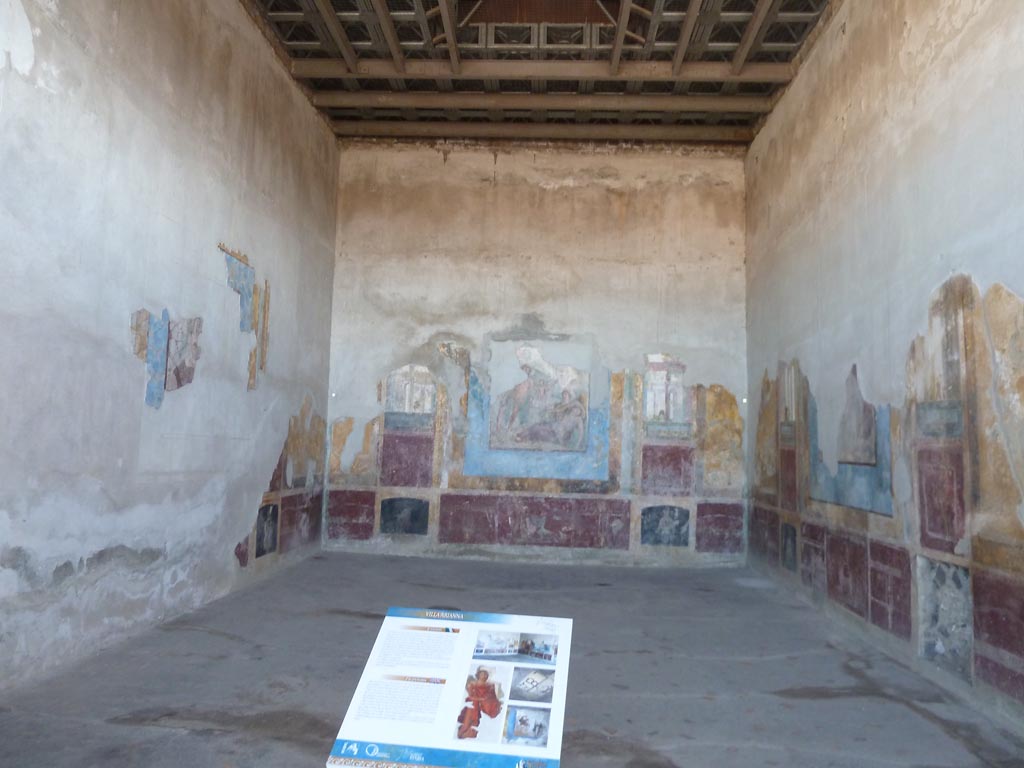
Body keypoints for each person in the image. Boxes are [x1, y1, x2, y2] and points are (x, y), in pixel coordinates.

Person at [457, 668, 501, 739]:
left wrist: (487, 700)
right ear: (478, 675)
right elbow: (470, 697)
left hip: (486, 705)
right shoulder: (472, 684)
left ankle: (465, 733)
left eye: (486, 674)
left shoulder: (490, 686)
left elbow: (493, 696)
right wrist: (481, 699)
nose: (484, 676)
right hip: (474, 704)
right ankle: (463, 734)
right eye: (482, 674)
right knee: (468, 719)